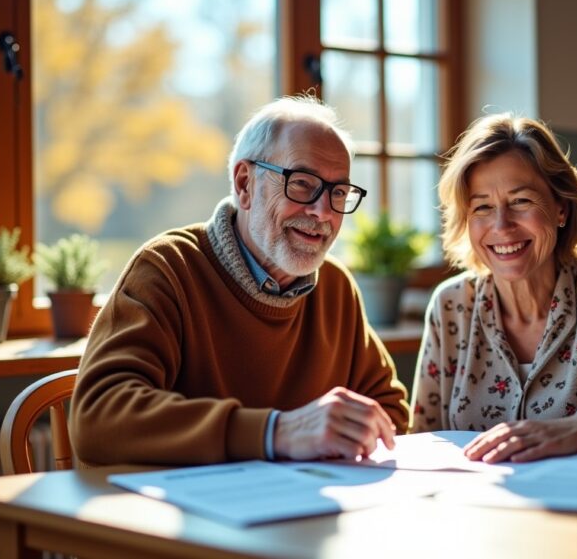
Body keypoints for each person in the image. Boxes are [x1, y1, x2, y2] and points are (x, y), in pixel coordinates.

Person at [71, 95, 408, 466]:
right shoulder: (168, 268)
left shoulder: (336, 287)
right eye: (301, 183)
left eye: (338, 192)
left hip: (297, 510)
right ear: (245, 183)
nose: (323, 212)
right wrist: (275, 433)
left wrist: (343, 433)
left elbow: (388, 409)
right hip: (182, 516)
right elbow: (98, 419)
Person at [411, 113, 577, 463]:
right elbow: (422, 441)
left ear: (561, 208)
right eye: (482, 207)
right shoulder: (451, 305)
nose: (501, 225)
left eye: (521, 201)